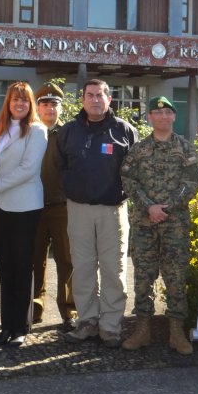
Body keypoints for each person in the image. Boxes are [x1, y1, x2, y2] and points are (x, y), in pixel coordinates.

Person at [53, 79, 138, 348]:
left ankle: (111, 325)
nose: (95, 100)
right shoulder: (68, 132)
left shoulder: (124, 131)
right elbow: (58, 167)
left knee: (114, 269)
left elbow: (135, 171)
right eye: (89, 95)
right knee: (83, 268)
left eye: (100, 95)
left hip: (113, 210)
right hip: (78, 210)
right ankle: (87, 321)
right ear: (82, 100)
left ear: (109, 99)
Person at [120, 96, 198, 355]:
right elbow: (128, 179)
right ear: (150, 118)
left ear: (174, 117)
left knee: (176, 277)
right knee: (143, 277)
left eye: (168, 112)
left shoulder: (185, 148)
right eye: (158, 112)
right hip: (145, 223)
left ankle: (176, 332)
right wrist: (149, 207)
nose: (163, 117)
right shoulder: (139, 149)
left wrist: (168, 207)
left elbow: (192, 181)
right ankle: (142, 329)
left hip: (174, 224)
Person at [0, 82, 47, 347]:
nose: (19, 104)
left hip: (24, 207)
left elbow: (28, 169)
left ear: (30, 103)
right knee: (4, 267)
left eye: (24, 100)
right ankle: (7, 325)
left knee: (22, 267)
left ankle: (20, 326)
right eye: (14, 99)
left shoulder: (37, 130)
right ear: (7, 103)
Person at [31, 83, 76, 331]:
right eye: (45, 104)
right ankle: (34, 310)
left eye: (54, 104)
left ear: (61, 107)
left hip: (62, 207)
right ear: (38, 107)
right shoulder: (29, 132)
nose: (49, 108)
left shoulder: (69, 134)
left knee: (67, 261)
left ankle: (69, 311)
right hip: (33, 207)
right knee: (34, 260)